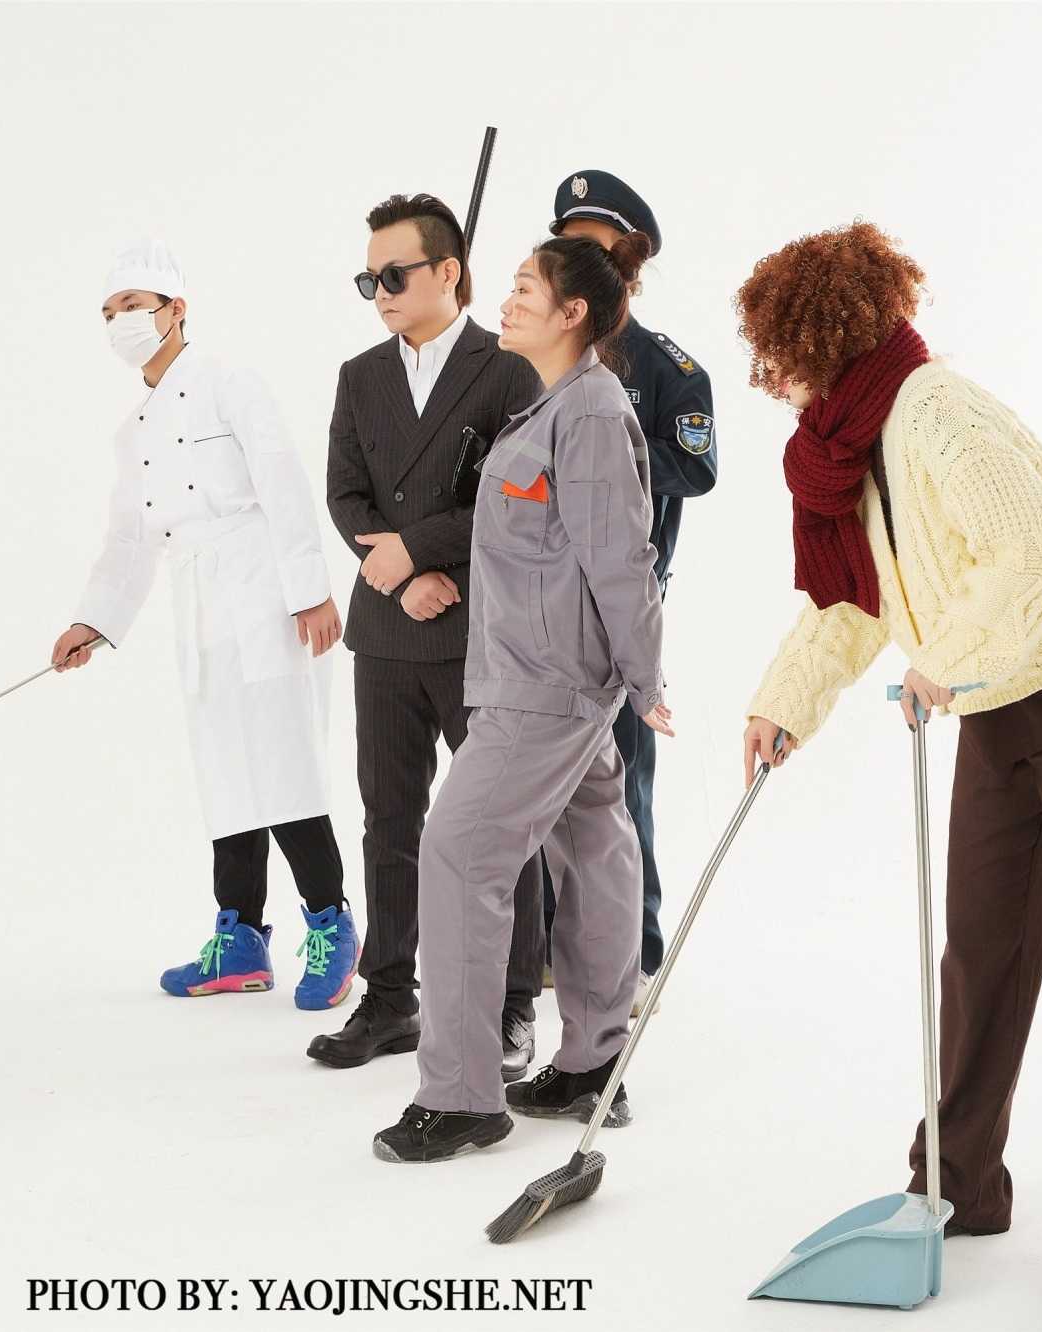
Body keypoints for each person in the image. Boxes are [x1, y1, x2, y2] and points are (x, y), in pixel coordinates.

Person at [736, 221, 1042, 1301]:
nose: (766, 376)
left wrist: (949, 658)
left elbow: (1036, 552)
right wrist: (784, 703)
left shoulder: (935, 410)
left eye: (776, 352)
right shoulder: (847, 447)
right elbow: (857, 601)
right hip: (994, 700)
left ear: (823, 335)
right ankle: (959, 1180)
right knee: (981, 948)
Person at [373, 233, 674, 1164]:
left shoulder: (589, 414)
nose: (505, 301)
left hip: (547, 686)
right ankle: (592, 1066)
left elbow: (622, 558)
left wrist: (645, 677)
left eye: (525, 289)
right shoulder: (549, 407)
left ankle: (462, 1098)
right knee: (595, 849)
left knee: (459, 853)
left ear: (574, 313)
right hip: (538, 676)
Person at [52, 240, 356, 1012]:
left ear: (176, 309)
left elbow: (283, 480)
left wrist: (310, 591)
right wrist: (93, 620)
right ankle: (241, 938)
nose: (119, 321)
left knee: (283, 762)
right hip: (198, 602)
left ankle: (330, 922)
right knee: (225, 769)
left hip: (264, 591)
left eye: (133, 305)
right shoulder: (133, 433)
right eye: (108, 311)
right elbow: (130, 540)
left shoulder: (230, 385)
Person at [314, 193, 547, 1079]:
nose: (380, 292)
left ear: (449, 272)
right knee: (389, 819)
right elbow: (345, 493)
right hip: (386, 631)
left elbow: (516, 495)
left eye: (395, 274)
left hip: (481, 631)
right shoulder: (359, 374)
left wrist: (418, 549)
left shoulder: (509, 369)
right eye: (369, 278)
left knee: (501, 822)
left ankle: (514, 1001)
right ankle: (389, 997)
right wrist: (404, 573)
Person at [544, 169, 718, 1014]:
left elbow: (697, 468)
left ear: (629, 260)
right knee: (528, 791)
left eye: (596, 247)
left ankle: (634, 958)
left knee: (618, 790)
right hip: (527, 610)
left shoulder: (665, 366)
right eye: (566, 246)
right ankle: (542, 954)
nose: (578, 260)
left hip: (617, 617)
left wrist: (607, 444)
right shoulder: (530, 356)